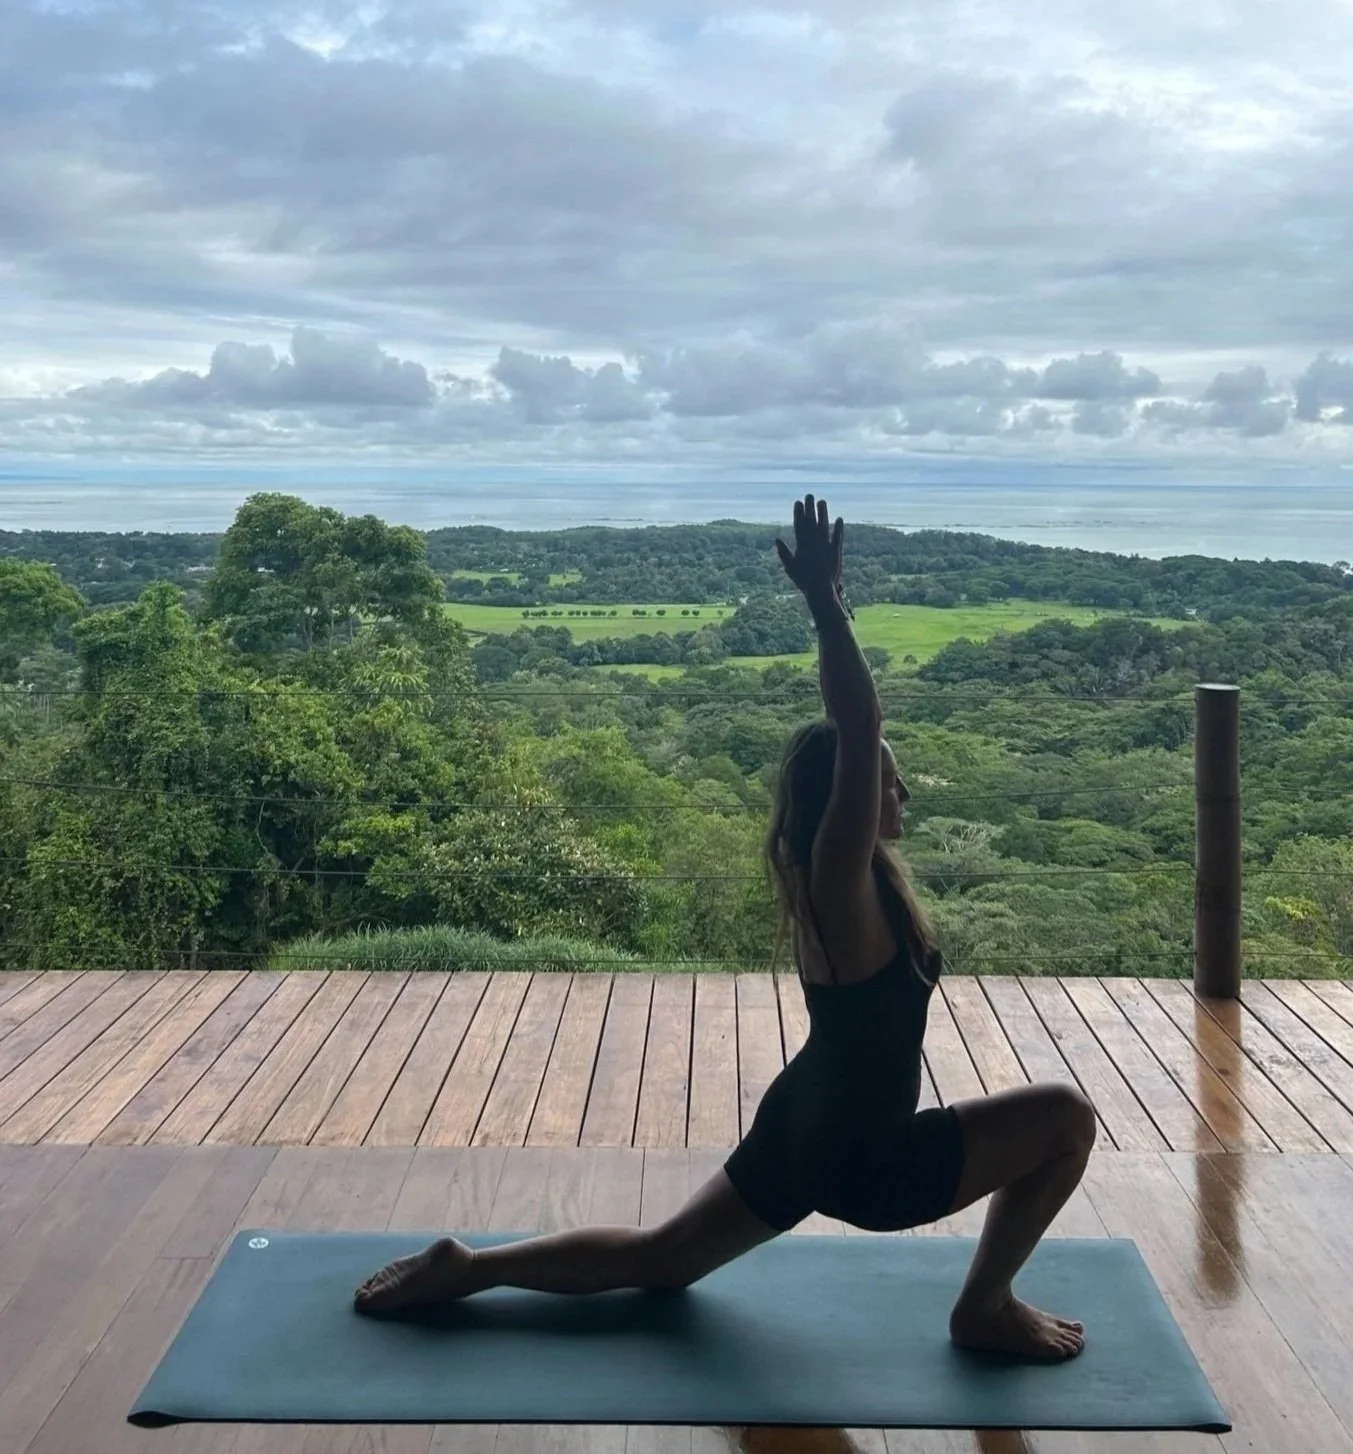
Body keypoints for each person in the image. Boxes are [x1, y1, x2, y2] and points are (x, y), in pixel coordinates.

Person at [355, 493, 1097, 1361]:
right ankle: (983, 1306)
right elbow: (858, 727)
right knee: (1066, 1117)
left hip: (806, 1116)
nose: (900, 793)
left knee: (661, 1260)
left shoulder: (847, 886)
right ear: (842, 807)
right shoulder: (838, 878)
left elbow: (861, 746)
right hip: (868, 1154)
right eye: (885, 783)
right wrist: (825, 605)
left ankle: (470, 1267)